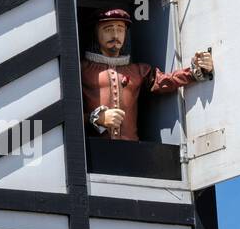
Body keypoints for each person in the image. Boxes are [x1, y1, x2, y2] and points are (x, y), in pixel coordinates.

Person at [81, 8, 214, 141]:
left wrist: (195, 70)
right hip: (92, 150)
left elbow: (165, 81)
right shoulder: (82, 70)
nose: (115, 35)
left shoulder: (138, 71)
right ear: (95, 33)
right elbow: (68, 113)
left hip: (132, 149)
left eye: (120, 29)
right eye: (108, 29)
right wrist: (96, 118)